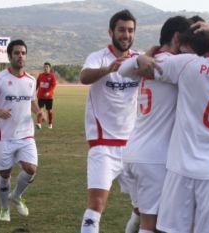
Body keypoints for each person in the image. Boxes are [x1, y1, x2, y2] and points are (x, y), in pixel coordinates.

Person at [120, 18, 209, 233]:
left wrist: (141, 59)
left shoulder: (186, 64)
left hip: (180, 169)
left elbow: (127, 69)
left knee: (163, 228)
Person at [121, 15, 191, 233]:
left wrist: (142, 56)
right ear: (177, 38)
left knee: (142, 216)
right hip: (154, 157)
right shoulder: (173, 63)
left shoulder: (150, 61)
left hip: (134, 151)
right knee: (152, 225)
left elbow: (123, 69)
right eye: (188, 41)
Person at [78, 10, 140, 233]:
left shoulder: (137, 60)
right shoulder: (98, 57)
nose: (126, 35)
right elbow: (84, 77)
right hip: (103, 144)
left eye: (130, 30)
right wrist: (109, 69)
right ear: (111, 32)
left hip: (133, 146)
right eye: (122, 30)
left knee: (144, 209)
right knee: (96, 205)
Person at [0, 39, 44, 222]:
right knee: (5, 174)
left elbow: (30, 100)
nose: (20, 56)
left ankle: (16, 196)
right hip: (4, 136)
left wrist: (38, 111)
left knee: (31, 168)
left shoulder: (31, 80)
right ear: (9, 56)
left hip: (26, 134)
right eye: (16, 53)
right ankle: (4, 208)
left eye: (23, 53)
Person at [36, 62, 57, 129]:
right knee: (40, 110)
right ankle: (39, 123)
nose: (45, 68)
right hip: (41, 96)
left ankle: (50, 123)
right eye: (44, 67)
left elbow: (53, 85)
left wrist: (49, 92)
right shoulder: (40, 75)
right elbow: (37, 84)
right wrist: (34, 91)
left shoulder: (52, 76)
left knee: (49, 110)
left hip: (49, 97)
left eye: (47, 67)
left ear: (50, 68)